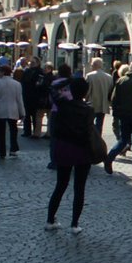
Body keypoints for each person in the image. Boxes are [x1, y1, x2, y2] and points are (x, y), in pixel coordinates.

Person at [46, 77, 95, 233]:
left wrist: (68, 79)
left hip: (64, 148)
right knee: (79, 188)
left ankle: (50, 220)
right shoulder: (87, 110)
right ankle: (74, 224)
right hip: (81, 150)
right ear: (86, 92)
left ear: (70, 90)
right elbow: (89, 133)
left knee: (60, 185)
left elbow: (52, 89)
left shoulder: (63, 105)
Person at [105, 59, 132, 175]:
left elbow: (114, 99)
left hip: (123, 115)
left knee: (123, 140)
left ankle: (109, 158)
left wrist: (116, 113)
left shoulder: (121, 80)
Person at [0, 65, 25, 159]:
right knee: (13, 130)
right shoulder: (17, 84)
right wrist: (22, 112)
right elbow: (19, 99)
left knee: (0, 133)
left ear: (2, 72)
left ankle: (1, 151)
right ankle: (13, 149)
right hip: (12, 109)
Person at [85, 57, 114, 134]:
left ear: (94, 65)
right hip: (104, 104)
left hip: (92, 103)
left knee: (88, 123)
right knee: (100, 124)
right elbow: (110, 91)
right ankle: (98, 139)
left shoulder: (89, 76)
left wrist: (85, 99)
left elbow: (87, 91)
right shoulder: (109, 77)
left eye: (91, 65)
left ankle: (90, 138)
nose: (91, 66)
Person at [20, 57, 42, 138]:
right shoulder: (27, 71)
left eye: (33, 62)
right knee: (27, 115)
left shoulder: (40, 72)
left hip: (35, 96)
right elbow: (22, 81)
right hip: (26, 95)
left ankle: (36, 132)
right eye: (31, 62)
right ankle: (27, 131)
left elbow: (40, 83)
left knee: (35, 115)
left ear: (38, 63)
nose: (31, 63)